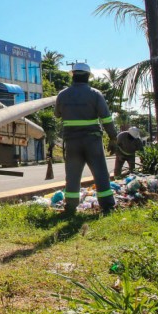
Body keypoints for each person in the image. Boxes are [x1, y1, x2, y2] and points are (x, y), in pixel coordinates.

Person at [54, 62, 118, 215]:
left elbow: (57, 114)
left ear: (73, 76)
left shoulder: (62, 95)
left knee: (73, 175)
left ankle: (70, 207)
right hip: (92, 141)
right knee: (100, 172)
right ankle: (107, 206)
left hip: (72, 142)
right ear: (88, 77)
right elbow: (107, 119)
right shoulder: (95, 94)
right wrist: (113, 138)